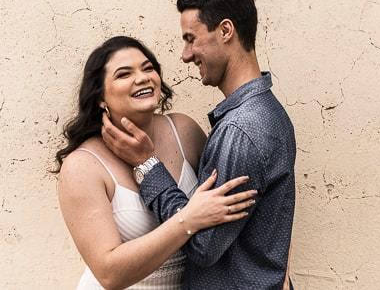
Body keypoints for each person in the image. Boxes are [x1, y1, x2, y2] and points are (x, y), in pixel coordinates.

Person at [102, 0, 296, 290]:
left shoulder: (239, 130)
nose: (185, 54)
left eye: (191, 39)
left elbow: (203, 245)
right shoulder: (268, 112)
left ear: (225, 31)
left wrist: (146, 164)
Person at [55, 35, 258, 289]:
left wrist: (277, 269)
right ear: (100, 98)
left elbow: (238, 207)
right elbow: (109, 274)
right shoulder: (83, 166)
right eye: (123, 74)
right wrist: (188, 219)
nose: (142, 78)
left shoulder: (184, 131)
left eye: (148, 68)